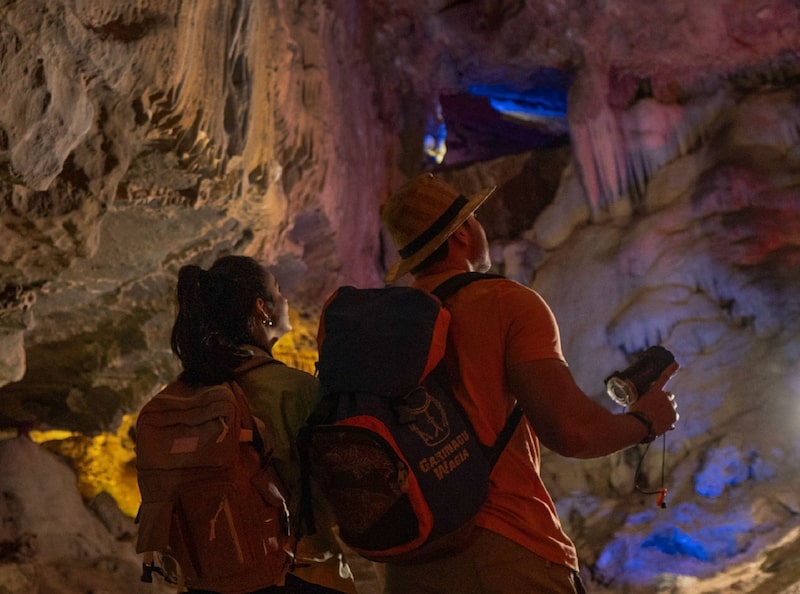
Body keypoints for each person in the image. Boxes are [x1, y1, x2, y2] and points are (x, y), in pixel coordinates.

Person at [378, 173, 679, 594]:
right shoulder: (504, 301)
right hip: (504, 545)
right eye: (475, 217)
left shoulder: (383, 323)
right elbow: (572, 433)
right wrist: (647, 421)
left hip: (411, 559)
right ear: (462, 233)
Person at [170, 255, 356, 594]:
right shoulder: (296, 390)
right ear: (262, 308)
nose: (284, 299)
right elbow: (339, 495)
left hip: (208, 579)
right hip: (297, 574)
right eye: (278, 291)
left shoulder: (184, 395)